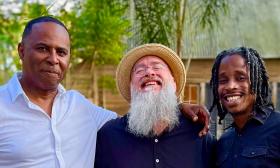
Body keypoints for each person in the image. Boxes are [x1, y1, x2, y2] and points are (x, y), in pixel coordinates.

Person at [0, 16, 210, 168]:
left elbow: (143, 116)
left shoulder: (80, 107)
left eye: (61, 52)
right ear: (21, 50)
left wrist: (177, 106)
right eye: (43, 48)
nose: (53, 59)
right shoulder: (2, 107)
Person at [94, 43, 216, 168]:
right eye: (140, 70)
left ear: (174, 82)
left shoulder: (199, 134)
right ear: (131, 87)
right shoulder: (109, 137)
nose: (149, 72)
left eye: (157, 67)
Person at [209, 47, 280, 168]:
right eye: (223, 80)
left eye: (241, 78)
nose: (231, 86)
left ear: (258, 81)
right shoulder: (223, 142)